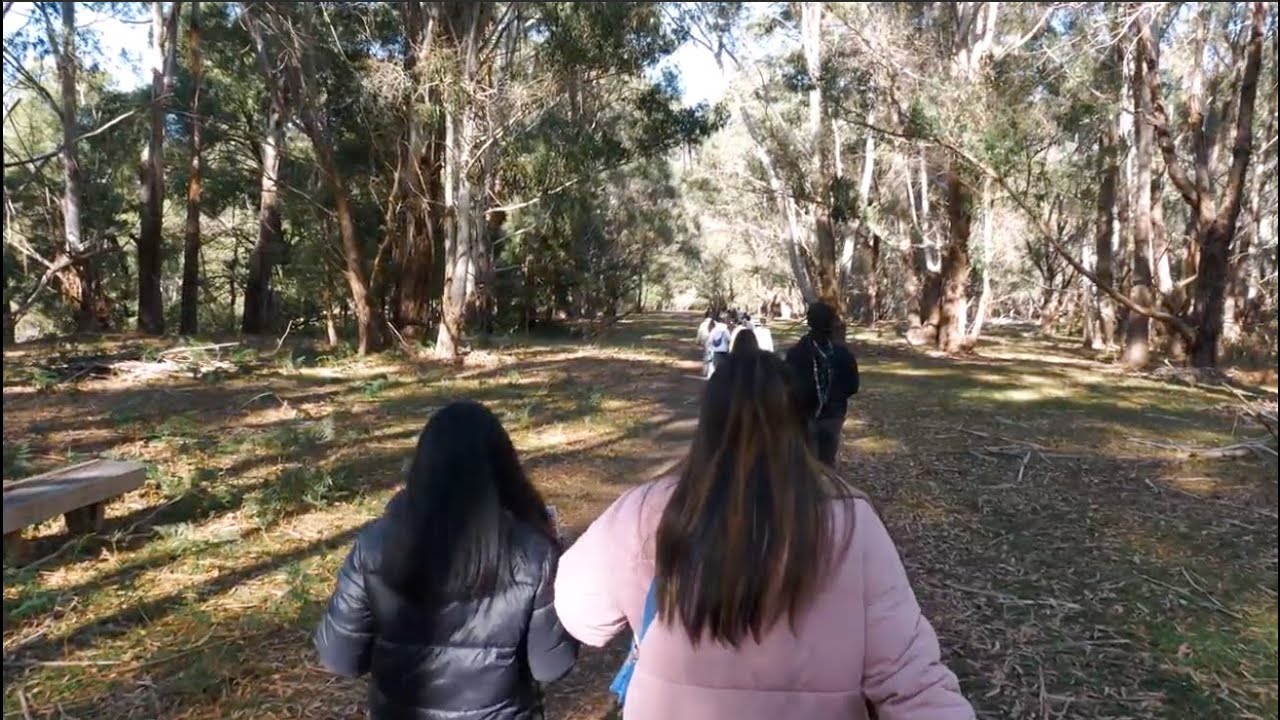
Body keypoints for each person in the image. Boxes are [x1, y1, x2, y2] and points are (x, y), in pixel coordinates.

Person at [554, 352, 973, 720]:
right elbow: (912, 680)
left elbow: (580, 614)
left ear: (707, 421)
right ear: (798, 425)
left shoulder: (646, 509)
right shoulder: (850, 521)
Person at [313, 401, 578, 720]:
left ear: (422, 467)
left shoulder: (374, 545)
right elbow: (551, 666)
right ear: (503, 469)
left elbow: (338, 657)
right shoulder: (533, 554)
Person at [785, 302, 860, 466]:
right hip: (825, 417)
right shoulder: (843, 354)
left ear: (809, 323)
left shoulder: (795, 354)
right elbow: (852, 386)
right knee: (826, 464)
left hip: (809, 417)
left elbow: (788, 388)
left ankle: (812, 488)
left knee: (806, 465)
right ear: (832, 324)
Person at [696, 310, 716, 379]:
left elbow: (700, 332)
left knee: (706, 354)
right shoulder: (715, 323)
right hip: (712, 340)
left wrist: (698, 341)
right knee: (711, 354)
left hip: (705, 339)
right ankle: (711, 371)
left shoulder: (703, 324)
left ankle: (705, 371)